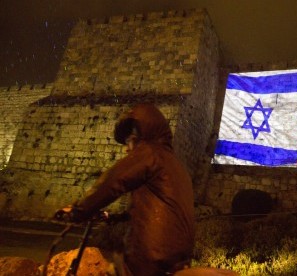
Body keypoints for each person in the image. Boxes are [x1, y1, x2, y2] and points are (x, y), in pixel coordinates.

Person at [56, 103, 195, 276]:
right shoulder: (175, 164)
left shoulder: (150, 153)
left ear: (140, 135)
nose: (127, 148)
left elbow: (113, 182)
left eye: (129, 140)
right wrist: (114, 217)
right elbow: (151, 209)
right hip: (177, 258)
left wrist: (77, 211)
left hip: (150, 257)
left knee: (113, 270)